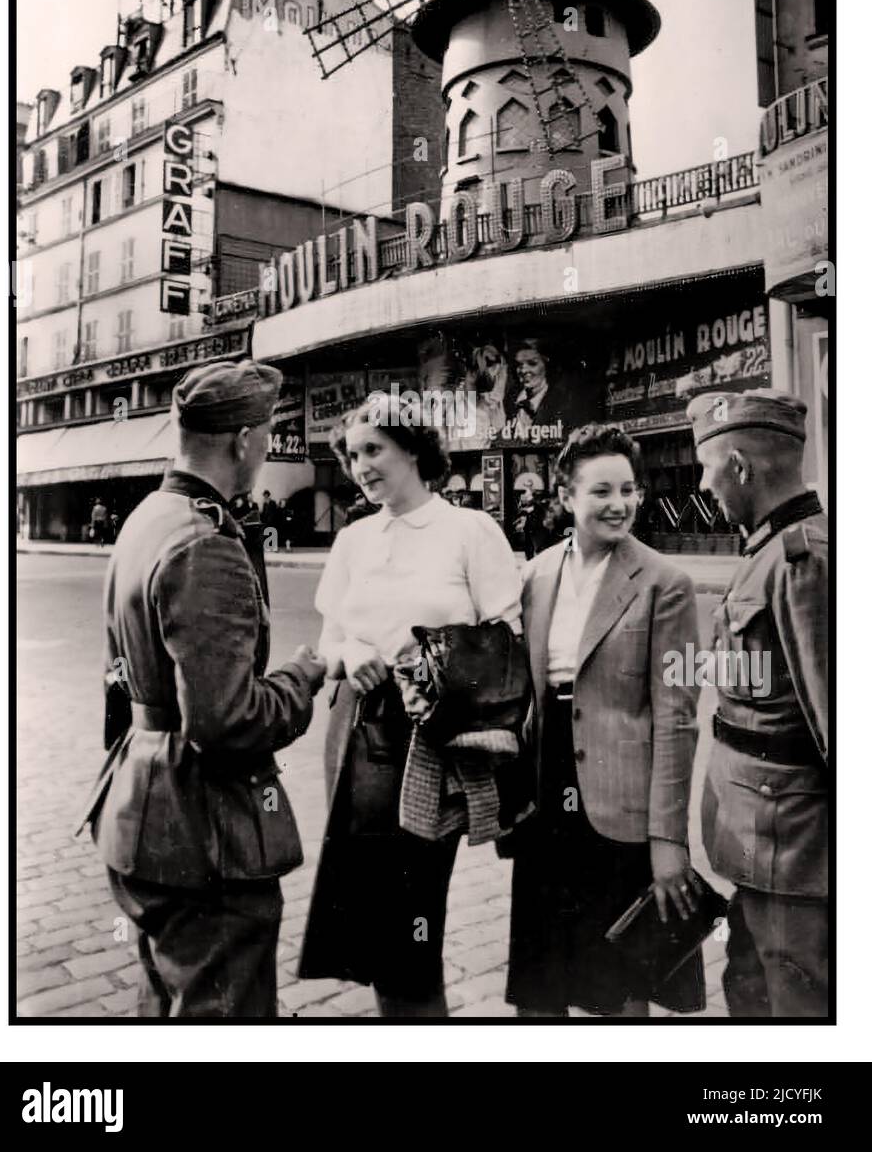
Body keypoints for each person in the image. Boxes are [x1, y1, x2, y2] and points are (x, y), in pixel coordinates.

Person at [76, 359, 326, 1020]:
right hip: (203, 836)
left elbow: (118, 684)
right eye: (267, 435)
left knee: (165, 1005)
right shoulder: (206, 542)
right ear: (244, 440)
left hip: (141, 816)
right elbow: (227, 724)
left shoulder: (148, 518)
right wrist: (302, 676)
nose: (266, 449)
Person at [298, 395, 522, 1018]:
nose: (360, 465)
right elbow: (330, 640)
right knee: (369, 906)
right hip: (357, 734)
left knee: (417, 903)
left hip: (432, 738)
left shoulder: (470, 531)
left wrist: (426, 663)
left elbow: (505, 637)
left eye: (374, 449)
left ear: (415, 450)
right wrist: (351, 651)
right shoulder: (352, 540)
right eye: (351, 454)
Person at [506, 423, 705, 1017]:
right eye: (601, 491)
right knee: (541, 986)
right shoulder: (536, 575)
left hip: (619, 806)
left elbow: (677, 718)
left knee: (617, 990)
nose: (619, 504)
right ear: (565, 497)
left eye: (629, 489)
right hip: (547, 795)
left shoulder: (666, 584)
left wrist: (668, 841)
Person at [686, 389, 828, 1018]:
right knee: (749, 990)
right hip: (758, 840)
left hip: (793, 847)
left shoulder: (804, 561)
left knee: (796, 1002)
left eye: (709, 470)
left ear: (740, 467)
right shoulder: (767, 550)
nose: (705, 486)